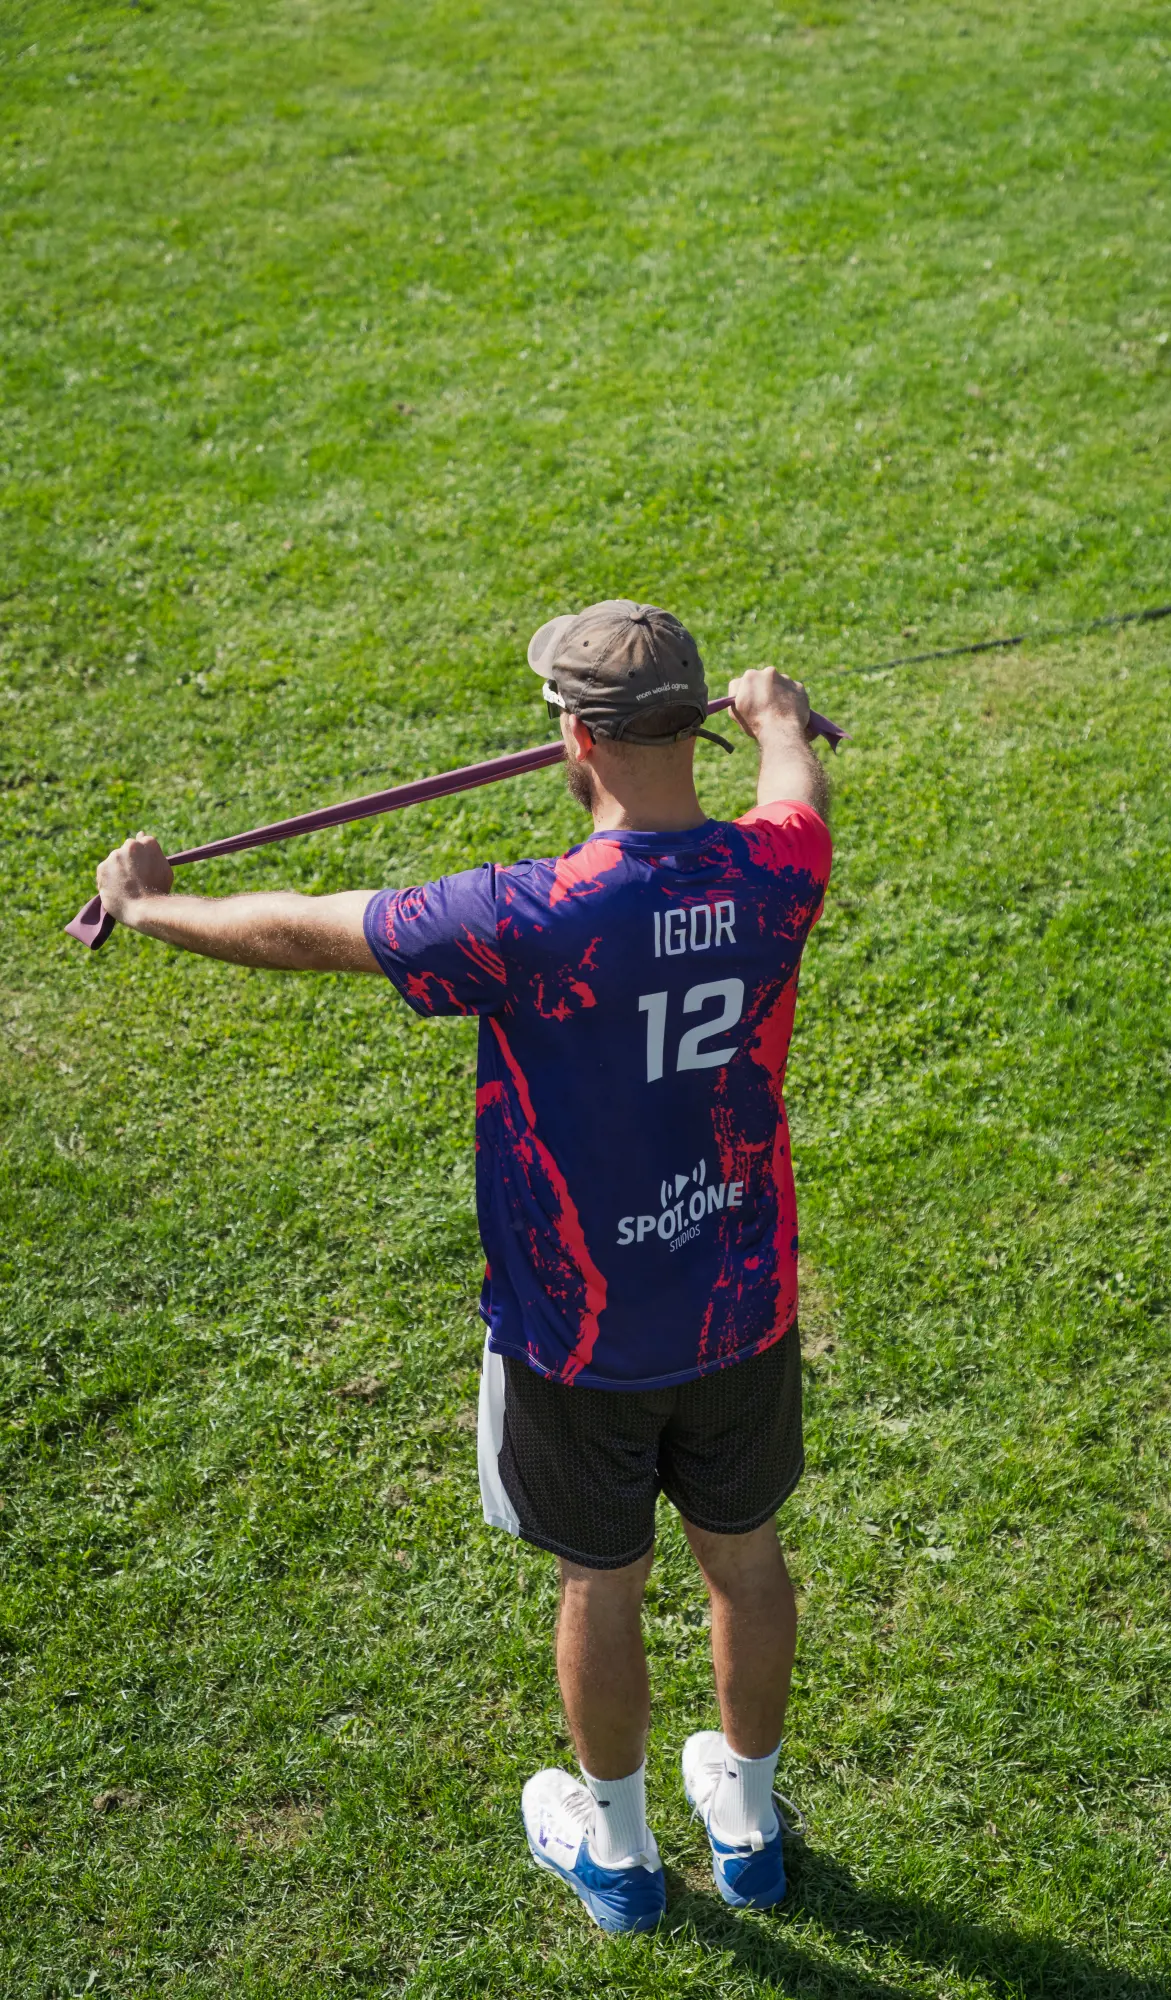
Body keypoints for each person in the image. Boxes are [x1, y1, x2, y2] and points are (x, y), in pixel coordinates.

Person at [93, 600, 833, 1935]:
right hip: (739, 1304)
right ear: (695, 726)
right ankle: (751, 1825)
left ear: (576, 739)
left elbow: (305, 928)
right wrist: (778, 717)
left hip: (579, 1336)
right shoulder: (779, 866)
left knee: (600, 1580)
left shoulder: (522, 916)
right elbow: (795, 786)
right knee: (746, 1557)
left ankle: (620, 1857)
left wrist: (149, 908)